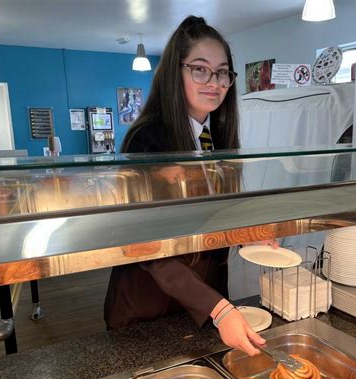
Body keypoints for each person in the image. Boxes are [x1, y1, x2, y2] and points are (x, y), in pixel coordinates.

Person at [105, 16, 274, 356]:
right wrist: (218, 307)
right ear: (174, 73)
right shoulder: (146, 139)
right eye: (200, 69)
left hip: (203, 306)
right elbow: (148, 246)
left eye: (223, 72)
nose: (215, 82)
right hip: (149, 307)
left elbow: (212, 215)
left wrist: (244, 233)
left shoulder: (220, 135)